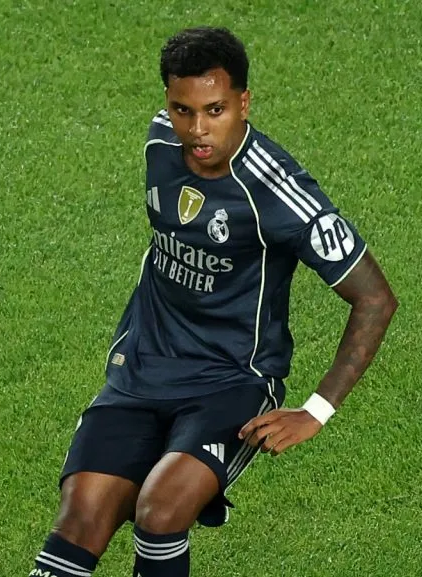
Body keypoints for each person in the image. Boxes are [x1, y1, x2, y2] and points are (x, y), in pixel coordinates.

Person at [29, 26, 397, 577]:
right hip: (140, 372)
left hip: (231, 383)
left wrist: (316, 412)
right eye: (183, 110)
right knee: (78, 520)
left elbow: (375, 299)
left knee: (160, 510)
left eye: (215, 109)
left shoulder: (280, 193)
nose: (197, 129)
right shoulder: (159, 142)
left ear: (243, 103)